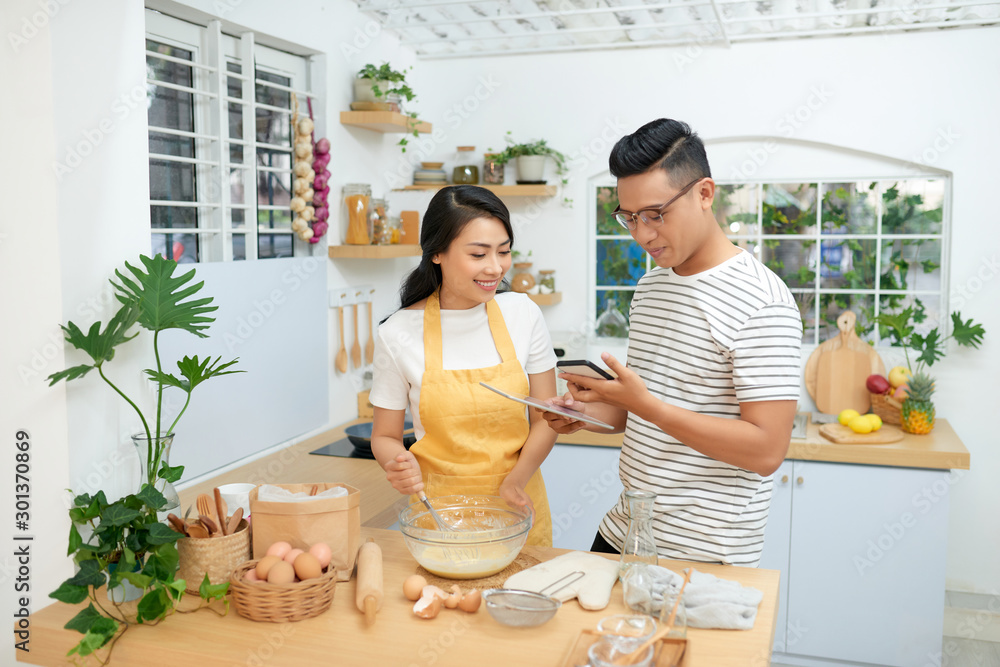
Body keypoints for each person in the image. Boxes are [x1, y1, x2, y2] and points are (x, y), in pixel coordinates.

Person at [543, 119, 802, 567]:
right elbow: (644, 412)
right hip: (626, 528)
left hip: (704, 550)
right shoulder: (651, 287)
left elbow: (766, 451)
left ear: (704, 194)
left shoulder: (763, 301)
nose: (641, 234)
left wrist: (646, 406)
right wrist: (588, 413)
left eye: (656, 214)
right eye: (629, 217)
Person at [370, 185, 558, 546]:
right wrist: (396, 463)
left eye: (503, 252)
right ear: (437, 252)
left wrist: (516, 479)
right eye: (478, 254)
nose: (495, 267)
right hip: (439, 516)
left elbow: (546, 419)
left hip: (517, 508)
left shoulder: (523, 314)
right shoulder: (397, 333)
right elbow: (385, 437)